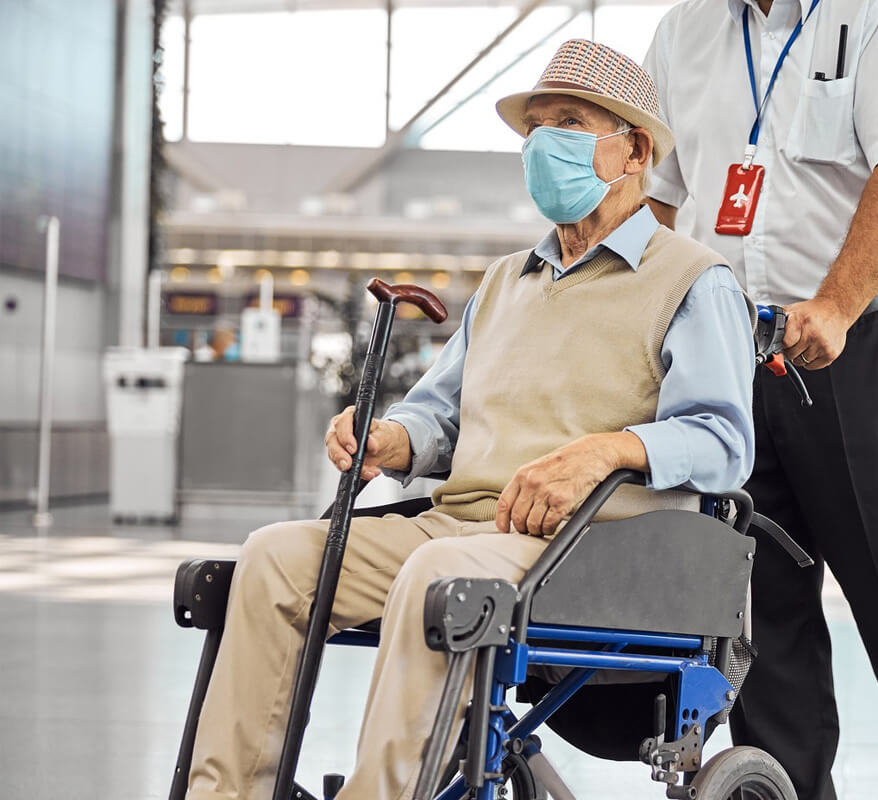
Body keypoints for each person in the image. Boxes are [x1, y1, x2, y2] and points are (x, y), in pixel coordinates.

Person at [184, 40, 757, 800]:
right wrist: (395, 438)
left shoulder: (691, 279)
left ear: (634, 149)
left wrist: (606, 451)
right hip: (459, 527)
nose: (543, 142)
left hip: (592, 548)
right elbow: (440, 412)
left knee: (436, 578)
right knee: (275, 558)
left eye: (570, 122)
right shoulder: (504, 283)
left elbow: (723, 439)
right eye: (536, 127)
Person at [642, 1, 878, 797]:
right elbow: (660, 197)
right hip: (726, 349)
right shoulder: (683, 32)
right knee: (758, 603)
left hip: (857, 345)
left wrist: (837, 304)